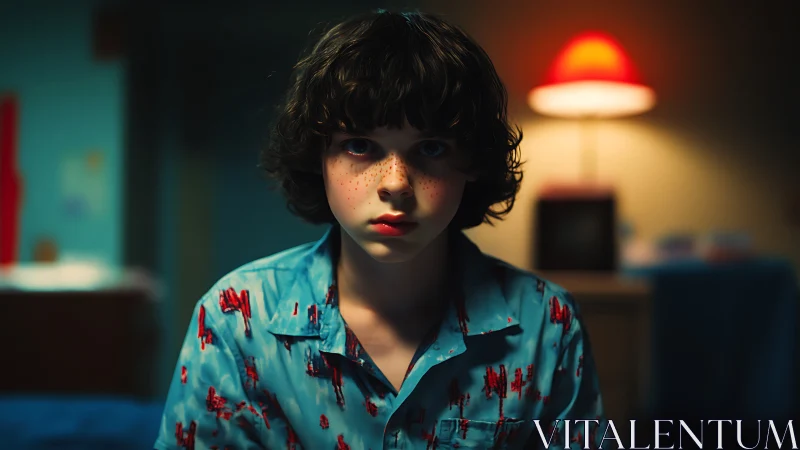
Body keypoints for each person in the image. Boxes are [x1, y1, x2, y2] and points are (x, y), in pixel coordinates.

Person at [154, 8, 606, 450]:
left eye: (431, 148)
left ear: (471, 163)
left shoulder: (546, 325)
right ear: (319, 159)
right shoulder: (237, 319)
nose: (395, 184)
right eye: (359, 145)